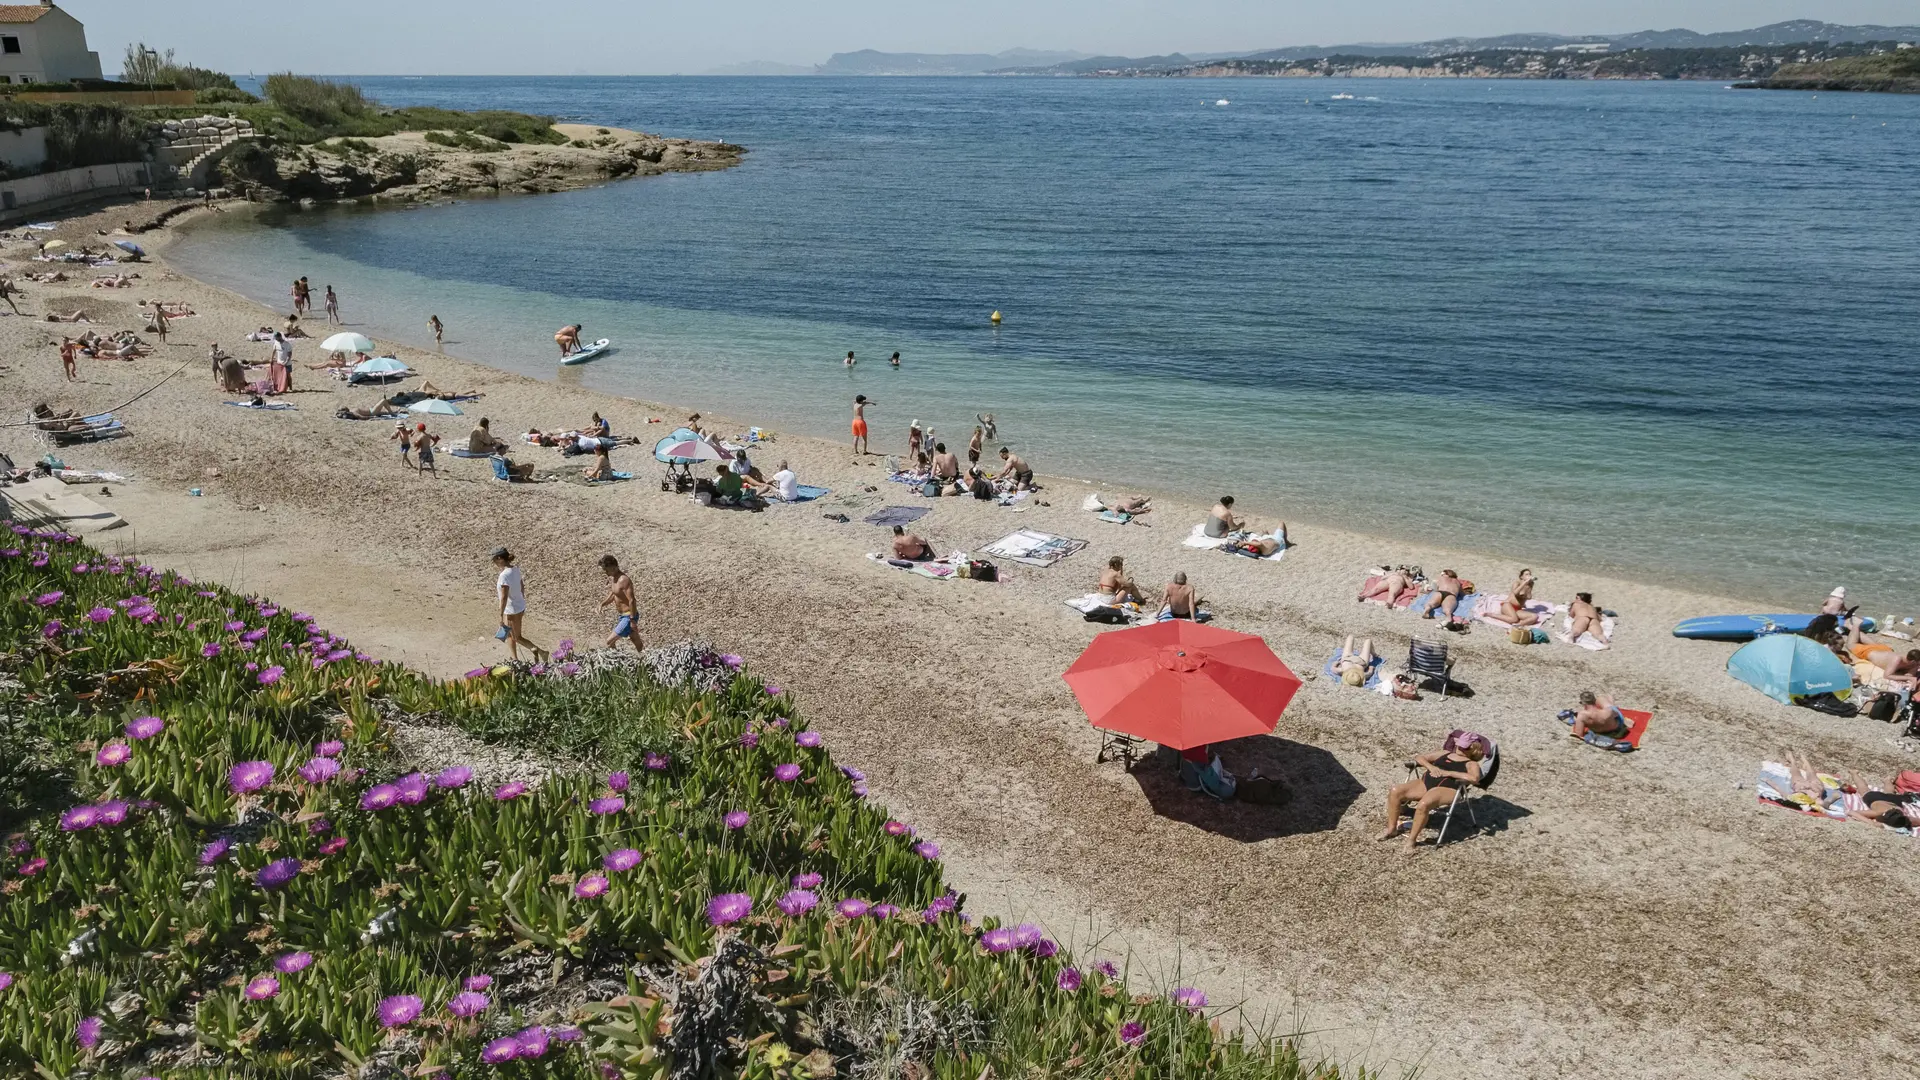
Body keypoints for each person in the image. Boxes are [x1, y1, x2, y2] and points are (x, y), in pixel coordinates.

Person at [1380, 740, 1485, 852]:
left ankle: (1411, 840)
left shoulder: (1471, 764)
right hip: (1425, 784)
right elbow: (1419, 757)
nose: (1460, 748)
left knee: (1423, 804)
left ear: (1474, 751)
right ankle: (1391, 829)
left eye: (1465, 747)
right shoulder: (1444, 753)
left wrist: (1449, 773)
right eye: (1460, 745)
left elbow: (1474, 778)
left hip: (1448, 789)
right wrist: (1431, 767)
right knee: (1396, 791)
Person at [492, 548, 547, 663]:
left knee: (514, 637)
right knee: (512, 634)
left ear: (500, 558)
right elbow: (522, 586)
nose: (494, 563)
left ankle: (536, 653)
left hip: (511, 610)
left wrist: (500, 615)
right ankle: (519, 657)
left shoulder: (504, 575)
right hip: (519, 606)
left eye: (494, 560)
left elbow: (504, 597)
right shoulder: (515, 569)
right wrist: (520, 599)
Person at [599, 554, 642, 653]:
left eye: (606, 570)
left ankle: (618, 658)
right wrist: (602, 604)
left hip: (628, 616)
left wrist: (632, 620)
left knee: (609, 641)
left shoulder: (623, 580)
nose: (605, 572)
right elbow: (614, 594)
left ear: (613, 567)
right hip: (623, 616)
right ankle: (643, 656)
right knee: (634, 638)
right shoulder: (614, 578)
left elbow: (632, 600)